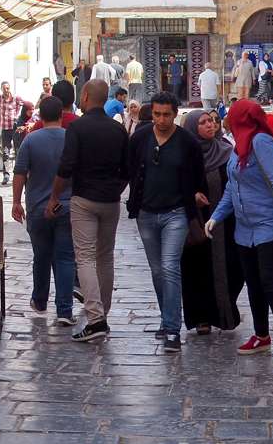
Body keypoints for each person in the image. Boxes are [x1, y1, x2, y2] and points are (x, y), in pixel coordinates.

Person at [207, 100, 273, 369]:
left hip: (269, 227)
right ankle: (261, 334)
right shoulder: (239, 145)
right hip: (244, 230)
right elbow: (232, 188)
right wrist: (217, 216)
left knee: (272, 284)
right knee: (254, 283)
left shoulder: (261, 142)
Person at [49, 79, 129, 343]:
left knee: (84, 257)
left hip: (84, 199)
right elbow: (127, 170)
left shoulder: (77, 128)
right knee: (105, 257)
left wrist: (54, 196)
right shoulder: (118, 129)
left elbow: (66, 166)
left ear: (84, 96)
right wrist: (116, 190)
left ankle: (95, 319)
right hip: (110, 200)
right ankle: (101, 313)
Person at [125, 91, 203, 352]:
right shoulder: (140, 139)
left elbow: (197, 174)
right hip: (146, 213)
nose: (161, 120)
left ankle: (172, 328)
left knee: (170, 268)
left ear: (175, 114)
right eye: (156, 114)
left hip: (176, 212)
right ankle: (165, 316)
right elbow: (129, 169)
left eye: (166, 115)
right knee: (158, 271)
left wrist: (196, 193)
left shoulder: (187, 143)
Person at [12, 97, 75, 326]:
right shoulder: (71, 138)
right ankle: (65, 310)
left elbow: (20, 173)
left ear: (40, 117)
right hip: (66, 207)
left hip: (38, 208)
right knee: (65, 257)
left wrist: (16, 202)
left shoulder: (31, 140)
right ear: (61, 115)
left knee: (41, 256)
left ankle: (40, 301)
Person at [181, 109, 242, 338]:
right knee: (198, 270)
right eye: (203, 122)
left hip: (226, 223)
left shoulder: (226, 151)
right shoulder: (185, 154)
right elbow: (176, 184)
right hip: (196, 223)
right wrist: (191, 196)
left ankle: (225, 313)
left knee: (231, 269)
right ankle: (202, 318)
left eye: (212, 121)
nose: (210, 125)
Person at [0, 82, 24, 161]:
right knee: (6, 152)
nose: (6, 90)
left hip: (15, 128)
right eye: (4, 88)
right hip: (5, 129)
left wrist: (19, 117)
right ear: (1, 89)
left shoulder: (16, 98)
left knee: (18, 150)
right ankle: (6, 172)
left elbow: (26, 105)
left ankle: (18, 171)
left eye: (7, 88)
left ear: (9, 88)